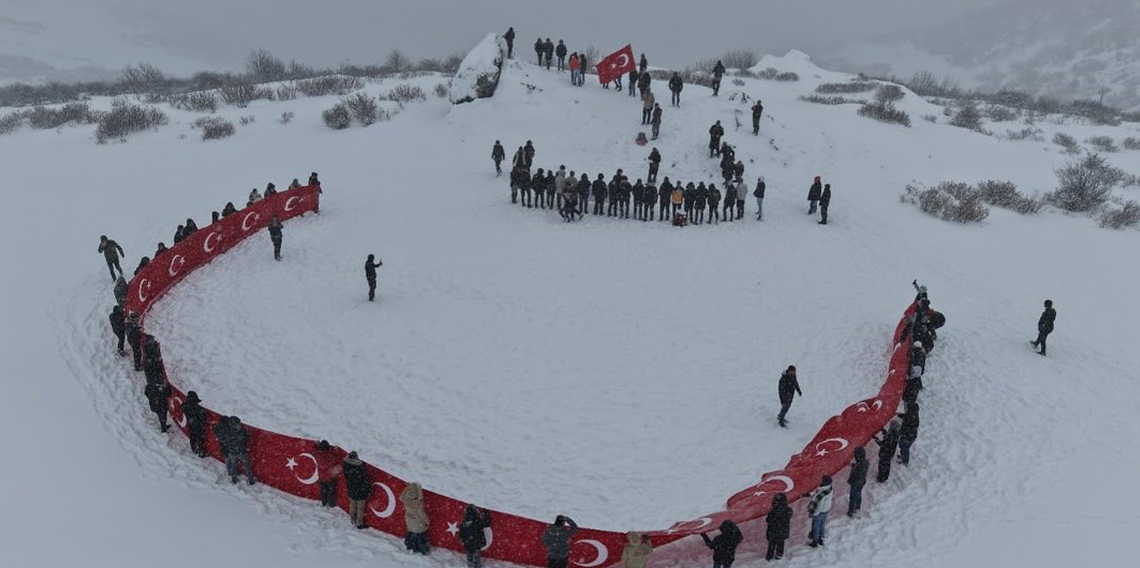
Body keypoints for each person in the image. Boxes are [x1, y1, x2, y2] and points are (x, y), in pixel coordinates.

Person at [215, 415, 256, 485]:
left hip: (232, 452)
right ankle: (250, 479)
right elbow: (246, 438)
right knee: (247, 466)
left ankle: (234, 479)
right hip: (241, 452)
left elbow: (222, 438)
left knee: (234, 466)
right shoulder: (242, 431)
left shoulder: (227, 431)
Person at [400, 482, 431, 555]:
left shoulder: (406, 500)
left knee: (412, 534)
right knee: (420, 537)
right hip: (418, 523)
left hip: (409, 522)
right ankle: (421, 549)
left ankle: (410, 545)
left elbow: (401, 497)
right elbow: (422, 514)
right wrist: (427, 521)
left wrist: (407, 488)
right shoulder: (419, 504)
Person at [342, 451, 371, 528]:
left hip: (351, 489)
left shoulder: (345, 465)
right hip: (360, 491)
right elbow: (364, 480)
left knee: (352, 504)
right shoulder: (360, 468)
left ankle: (352, 518)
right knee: (360, 508)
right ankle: (359, 523)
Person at [459, 504, 493, 568]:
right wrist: (486, 512)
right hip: (476, 545)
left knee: (470, 561)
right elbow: (487, 523)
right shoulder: (477, 520)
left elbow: (461, 534)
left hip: (469, 545)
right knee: (476, 562)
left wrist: (464, 542)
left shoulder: (464, 522)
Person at [314, 440, 343, 507]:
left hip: (322, 477)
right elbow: (338, 457)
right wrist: (336, 450)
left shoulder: (318, 454)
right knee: (331, 492)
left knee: (323, 491)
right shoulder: (330, 455)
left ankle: (324, 502)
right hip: (331, 478)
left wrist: (316, 445)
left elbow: (313, 450)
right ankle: (331, 504)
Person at [806, 476, 834, 547]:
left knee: (816, 526)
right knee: (822, 524)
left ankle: (815, 541)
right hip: (826, 510)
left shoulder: (822, 494)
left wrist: (814, 514)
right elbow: (817, 493)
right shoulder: (829, 489)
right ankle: (821, 537)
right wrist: (809, 494)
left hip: (820, 512)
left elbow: (819, 506)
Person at [765, 493, 792, 560]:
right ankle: (779, 555)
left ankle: (769, 556)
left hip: (773, 531)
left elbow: (768, 520)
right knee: (781, 543)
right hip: (783, 531)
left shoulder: (774, 510)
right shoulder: (788, 510)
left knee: (771, 544)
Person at [182, 391, 208, 457]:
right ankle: (201, 452)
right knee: (200, 438)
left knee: (192, 437)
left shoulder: (185, 406)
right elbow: (203, 418)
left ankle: (194, 449)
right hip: (197, 425)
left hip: (190, 424)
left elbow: (182, 408)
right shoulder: (197, 408)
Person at [847, 447, 869, 517]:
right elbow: (860, 467)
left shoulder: (859, 465)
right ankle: (857, 507)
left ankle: (851, 511)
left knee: (853, 496)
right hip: (862, 482)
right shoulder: (866, 462)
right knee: (858, 494)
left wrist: (850, 480)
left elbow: (856, 473)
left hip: (855, 483)